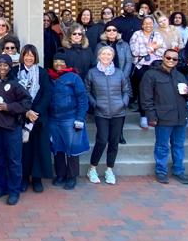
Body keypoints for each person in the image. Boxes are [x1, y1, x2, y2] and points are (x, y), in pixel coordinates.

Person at [0, 54, 32, 205]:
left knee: (14, 161)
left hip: (12, 127)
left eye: (5, 65)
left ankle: (14, 191)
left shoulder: (16, 83)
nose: (2, 68)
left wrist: (8, 107)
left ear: (10, 67)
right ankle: (1, 188)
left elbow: (27, 103)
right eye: (0, 65)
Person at [140, 49, 188, 184]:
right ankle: (161, 171)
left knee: (179, 145)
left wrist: (187, 93)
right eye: (168, 57)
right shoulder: (151, 74)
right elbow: (146, 97)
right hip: (163, 116)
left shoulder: (180, 76)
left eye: (174, 59)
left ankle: (179, 171)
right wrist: (151, 116)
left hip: (181, 116)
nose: (171, 60)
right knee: (162, 146)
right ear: (163, 57)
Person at [85, 46, 131, 185]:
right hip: (101, 112)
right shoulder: (92, 73)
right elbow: (87, 90)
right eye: (103, 54)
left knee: (114, 142)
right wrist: (95, 103)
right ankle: (92, 168)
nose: (106, 56)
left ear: (113, 57)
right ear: (99, 56)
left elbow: (126, 90)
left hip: (118, 112)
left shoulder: (119, 73)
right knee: (102, 140)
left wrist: (123, 103)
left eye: (109, 54)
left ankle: (109, 170)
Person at [12, 46, 53, 193]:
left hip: (38, 117)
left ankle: (37, 178)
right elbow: (12, 94)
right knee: (24, 149)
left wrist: (35, 112)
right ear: (22, 56)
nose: (29, 58)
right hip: (21, 117)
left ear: (36, 57)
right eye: (26, 55)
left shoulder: (42, 72)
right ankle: (24, 177)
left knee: (39, 148)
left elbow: (47, 94)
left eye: (32, 56)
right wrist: (26, 112)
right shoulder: (15, 72)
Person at [47, 53, 90, 190]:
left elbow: (82, 99)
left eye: (61, 62)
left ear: (66, 64)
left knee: (72, 148)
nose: (58, 64)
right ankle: (61, 174)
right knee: (57, 147)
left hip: (70, 117)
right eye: (56, 61)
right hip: (53, 118)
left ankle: (72, 176)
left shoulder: (74, 77)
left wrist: (80, 118)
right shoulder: (49, 77)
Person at [130, 16, 167, 128]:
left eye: (150, 23)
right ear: (142, 24)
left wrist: (147, 48)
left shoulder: (157, 35)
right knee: (144, 92)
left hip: (156, 66)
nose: (148, 25)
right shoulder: (137, 35)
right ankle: (144, 116)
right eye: (146, 23)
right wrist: (153, 47)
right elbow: (135, 51)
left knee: (157, 91)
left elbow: (163, 50)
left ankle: (155, 116)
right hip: (141, 66)